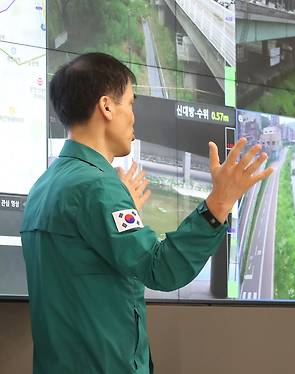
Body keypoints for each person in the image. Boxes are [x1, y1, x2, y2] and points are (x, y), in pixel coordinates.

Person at [20, 52, 272, 374]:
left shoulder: (45, 186)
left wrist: (121, 208)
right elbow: (162, 268)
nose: (134, 117)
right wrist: (219, 202)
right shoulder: (97, 188)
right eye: (130, 103)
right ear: (107, 107)